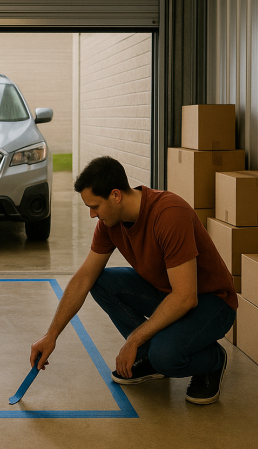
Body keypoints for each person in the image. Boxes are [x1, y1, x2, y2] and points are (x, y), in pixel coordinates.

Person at [30, 156, 238, 405]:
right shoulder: (109, 224)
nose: (91, 214)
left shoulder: (169, 214)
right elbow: (84, 277)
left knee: (165, 356)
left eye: (95, 206)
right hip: (168, 293)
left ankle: (212, 360)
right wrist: (51, 335)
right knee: (100, 281)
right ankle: (153, 355)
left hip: (211, 303)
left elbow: (185, 297)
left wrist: (134, 340)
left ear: (116, 195)